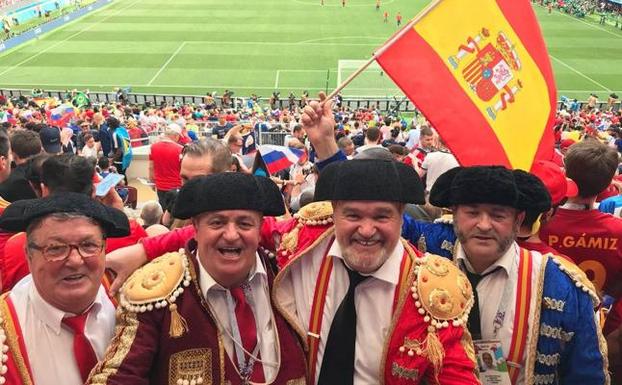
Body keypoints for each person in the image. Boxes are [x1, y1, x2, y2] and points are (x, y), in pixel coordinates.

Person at [271, 159, 479, 384]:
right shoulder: (306, 240)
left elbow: (457, 375)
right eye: (353, 216)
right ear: (334, 214)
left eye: (382, 216)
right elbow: (249, 231)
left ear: (401, 217)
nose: (367, 230)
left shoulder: (435, 290)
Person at [87, 173, 308, 385]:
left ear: (260, 229)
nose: (231, 235)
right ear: (195, 228)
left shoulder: (288, 274)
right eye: (217, 223)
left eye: (244, 224)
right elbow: (122, 375)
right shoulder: (159, 292)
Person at [429, 165, 609, 384]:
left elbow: (585, 376)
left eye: (498, 215)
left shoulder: (561, 284)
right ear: (454, 213)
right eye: (472, 212)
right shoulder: (430, 257)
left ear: (518, 219)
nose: (484, 225)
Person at [0, 192, 130, 385]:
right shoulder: (6, 325)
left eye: (88, 245)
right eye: (55, 248)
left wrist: (146, 249)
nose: (76, 260)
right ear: (28, 254)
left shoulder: (131, 302)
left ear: (104, 248)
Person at [149, 123, 183, 207]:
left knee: (163, 208)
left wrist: (152, 183)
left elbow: (151, 167)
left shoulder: (153, 147)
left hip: (160, 186)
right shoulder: (180, 149)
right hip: (176, 186)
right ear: (176, 136)